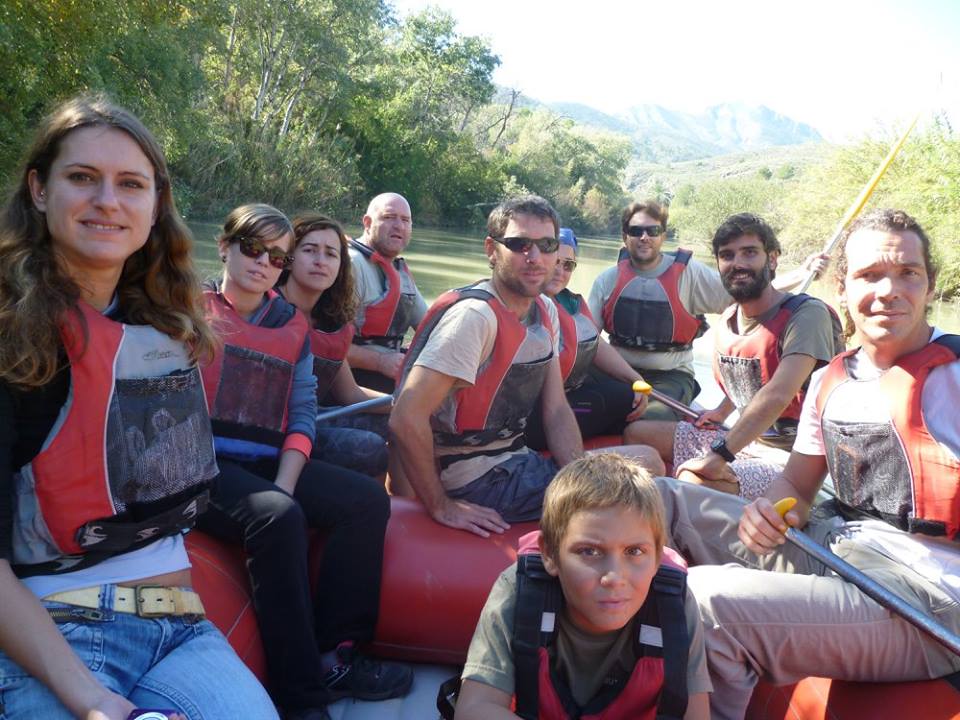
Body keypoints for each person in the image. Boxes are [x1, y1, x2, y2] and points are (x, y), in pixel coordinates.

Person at [0, 95, 278, 719]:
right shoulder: (10, 338)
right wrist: (96, 703)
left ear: (155, 207)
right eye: (82, 178)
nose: (108, 200)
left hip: (179, 626)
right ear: (39, 190)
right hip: (57, 634)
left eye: (131, 184)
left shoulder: (161, 325)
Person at [653, 209, 960, 719]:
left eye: (908, 273)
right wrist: (770, 511)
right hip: (836, 548)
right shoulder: (831, 379)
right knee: (658, 498)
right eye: (869, 275)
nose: (888, 290)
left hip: (924, 601)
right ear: (843, 287)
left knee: (707, 600)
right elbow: (796, 485)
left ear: (929, 284)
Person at [197, 204, 411, 720]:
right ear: (224, 247)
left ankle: (337, 653)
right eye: (252, 249)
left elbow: (301, 413)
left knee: (365, 501)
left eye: (276, 256)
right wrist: (280, 500)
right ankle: (302, 699)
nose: (263, 263)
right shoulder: (188, 311)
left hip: (266, 463)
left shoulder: (292, 325)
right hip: (198, 468)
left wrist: (287, 481)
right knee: (277, 516)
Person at [390, 195, 664, 539]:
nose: (535, 258)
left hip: (516, 463)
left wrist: (578, 476)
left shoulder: (544, 310)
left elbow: (556, 409)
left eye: (546, 245)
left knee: (643, 462)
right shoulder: (475, 318)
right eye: (519, 244)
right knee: (647, 463)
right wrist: (440, 505)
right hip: (476, 482)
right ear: (492, 250)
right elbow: (405, 416)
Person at [455, 453, 712, 719]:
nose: (614, 577)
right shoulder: (520, 591)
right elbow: (474, 709)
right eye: (589, 551)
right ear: (549, 554)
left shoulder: (673, 605)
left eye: (634, 551)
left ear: (658, 557)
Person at [627, 213, 843, 499]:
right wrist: (721, 412)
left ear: (772, 259)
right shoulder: (730, 317)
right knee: (638, 434)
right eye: (727, 255)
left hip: (791, 461)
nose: (737, 264)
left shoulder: (807, 315)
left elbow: (778, 394)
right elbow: (751, 376)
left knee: (693, 481)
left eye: (749, 253)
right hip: (743, 442)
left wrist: (719, 454)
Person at [588, 200, 827, 421]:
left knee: (643, 422)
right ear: (624, 236)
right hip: (617, 373)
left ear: (663, 236)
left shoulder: (690, 274)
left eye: (653, 231)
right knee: (585, 406)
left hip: (669, 375)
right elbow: (588, 341)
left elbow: (748, 289)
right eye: (636, 231)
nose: (644, 237)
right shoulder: (606, 280)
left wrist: (801, 274)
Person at [276, 212, 390, 479]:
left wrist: (408, 405)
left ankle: (401, 502)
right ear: (288, 259)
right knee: (369, 447)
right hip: (275, 427)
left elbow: (350, 394)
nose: (320, 261)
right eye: (309, 250)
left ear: (340, 265)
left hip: (314, 417)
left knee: (398, 422)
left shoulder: (332, 322)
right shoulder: (267, 309)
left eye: (330, 254)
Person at [524, 227, 652, 450]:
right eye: (555, 261)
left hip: (563, 396)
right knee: (623, 398)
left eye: (568, 265)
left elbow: (594, 344)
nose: (560, 271)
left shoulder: (567, 302)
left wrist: (635, 378)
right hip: (530, 416)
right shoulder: (524, 305)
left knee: (629, 394)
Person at [347, 192, 428, 393]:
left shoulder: (399, 272)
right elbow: (322, 345)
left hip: (389, 382)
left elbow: (432, 330)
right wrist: (380, 362)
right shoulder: (350, 264)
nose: (399, 226)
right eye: (389, 217)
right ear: (367, 223)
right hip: (352, 386)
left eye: (405, 220)